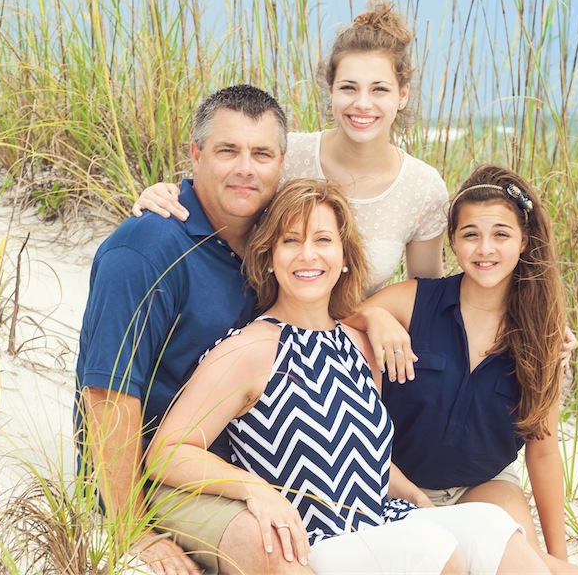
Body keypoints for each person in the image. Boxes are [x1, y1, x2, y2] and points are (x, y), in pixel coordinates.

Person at [145, 178, 551, 574]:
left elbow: (359, 456)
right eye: (290, 241)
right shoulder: (251, 349)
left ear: (343, 259)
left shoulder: (360, 346)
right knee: (430, 550)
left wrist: (411, 495)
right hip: (317, 544)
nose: (308, 255)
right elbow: (167, 450)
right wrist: (252, 490)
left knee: (490, 526)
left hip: (381, 523)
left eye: (323, 240)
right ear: (269, 257)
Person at [75, 85, 306, 575]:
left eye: (261, 153)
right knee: (273, 549)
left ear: (282, 163)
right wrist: (131, 525)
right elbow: (109, 393)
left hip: (236, 462)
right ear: (196, 155)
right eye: (228, 151)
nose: (246, 168)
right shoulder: (146, 248)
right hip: (154, 474)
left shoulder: (274, 240)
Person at [347, 165, 578, 574]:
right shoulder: (414, 302)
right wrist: (374, 317)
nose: (485, 249)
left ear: (523, 241)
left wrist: (558, 558)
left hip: (483, 488)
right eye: (470, 234)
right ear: (453, 243)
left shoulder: (543, 336)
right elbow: (334, 314)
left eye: (501, 234)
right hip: (397, 490)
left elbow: (543, 451)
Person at [132, 0, 448, 301]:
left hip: (356, 343)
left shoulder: (423, 186)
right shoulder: (286, 154)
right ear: (331, 91)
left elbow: (424, 295)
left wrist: (373, 316)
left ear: (403, 95)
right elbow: (216, 197)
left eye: (379, 89)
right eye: (348, 87)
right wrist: (163, 193)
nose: (362, 103)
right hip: (259, 326)